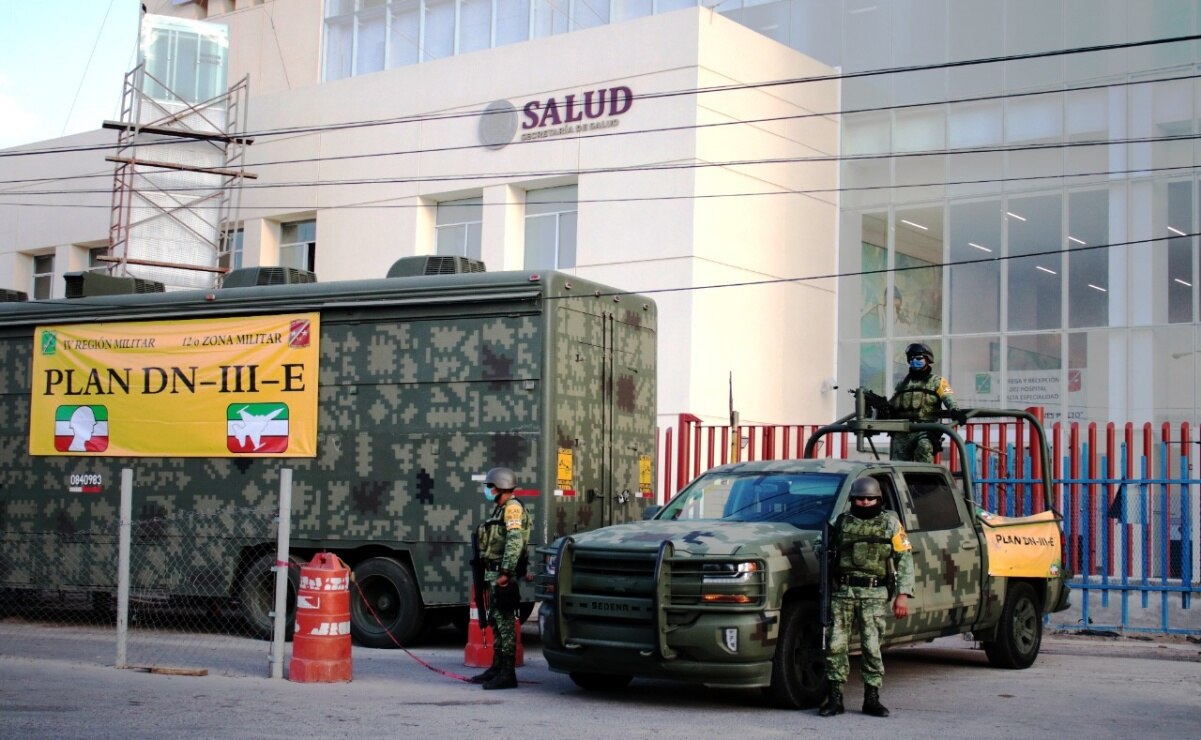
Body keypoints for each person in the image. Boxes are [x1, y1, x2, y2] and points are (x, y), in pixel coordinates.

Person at [819, 477, 915, 718]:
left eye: (869, 498)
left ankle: (871, 698)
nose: (864, 502)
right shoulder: (841, 522)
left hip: (874, 594)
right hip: (843, 593)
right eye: (859, 498)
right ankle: (835, 698)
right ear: (852, 500)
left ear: (878, 500)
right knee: (835, 646)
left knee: (872, 647)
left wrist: (902, 595)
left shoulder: (890, 524)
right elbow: (824, 550)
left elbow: (904, 559)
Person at [468, 466, 531, 690]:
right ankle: (497, 667)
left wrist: (505, 573)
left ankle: (507, 673)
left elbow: (514, 542)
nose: (488, 490)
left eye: (490, 486)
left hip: (503, 574)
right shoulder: (501, 509)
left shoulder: (512, 509)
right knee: (496, 621)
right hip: (493, 571)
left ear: (500, 486)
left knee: (505, 624)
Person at [888, 342, 963, 462]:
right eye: (911, 359)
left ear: (927, 359)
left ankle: (924, 480)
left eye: (918, 358)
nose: (914, 361)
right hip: (903, 430)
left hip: (925, 429)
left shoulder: (937, 381)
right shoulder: (902, 384)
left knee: (924, 448)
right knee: (897, 463)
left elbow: (948, 397)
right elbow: (893, 403)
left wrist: (955, 410)